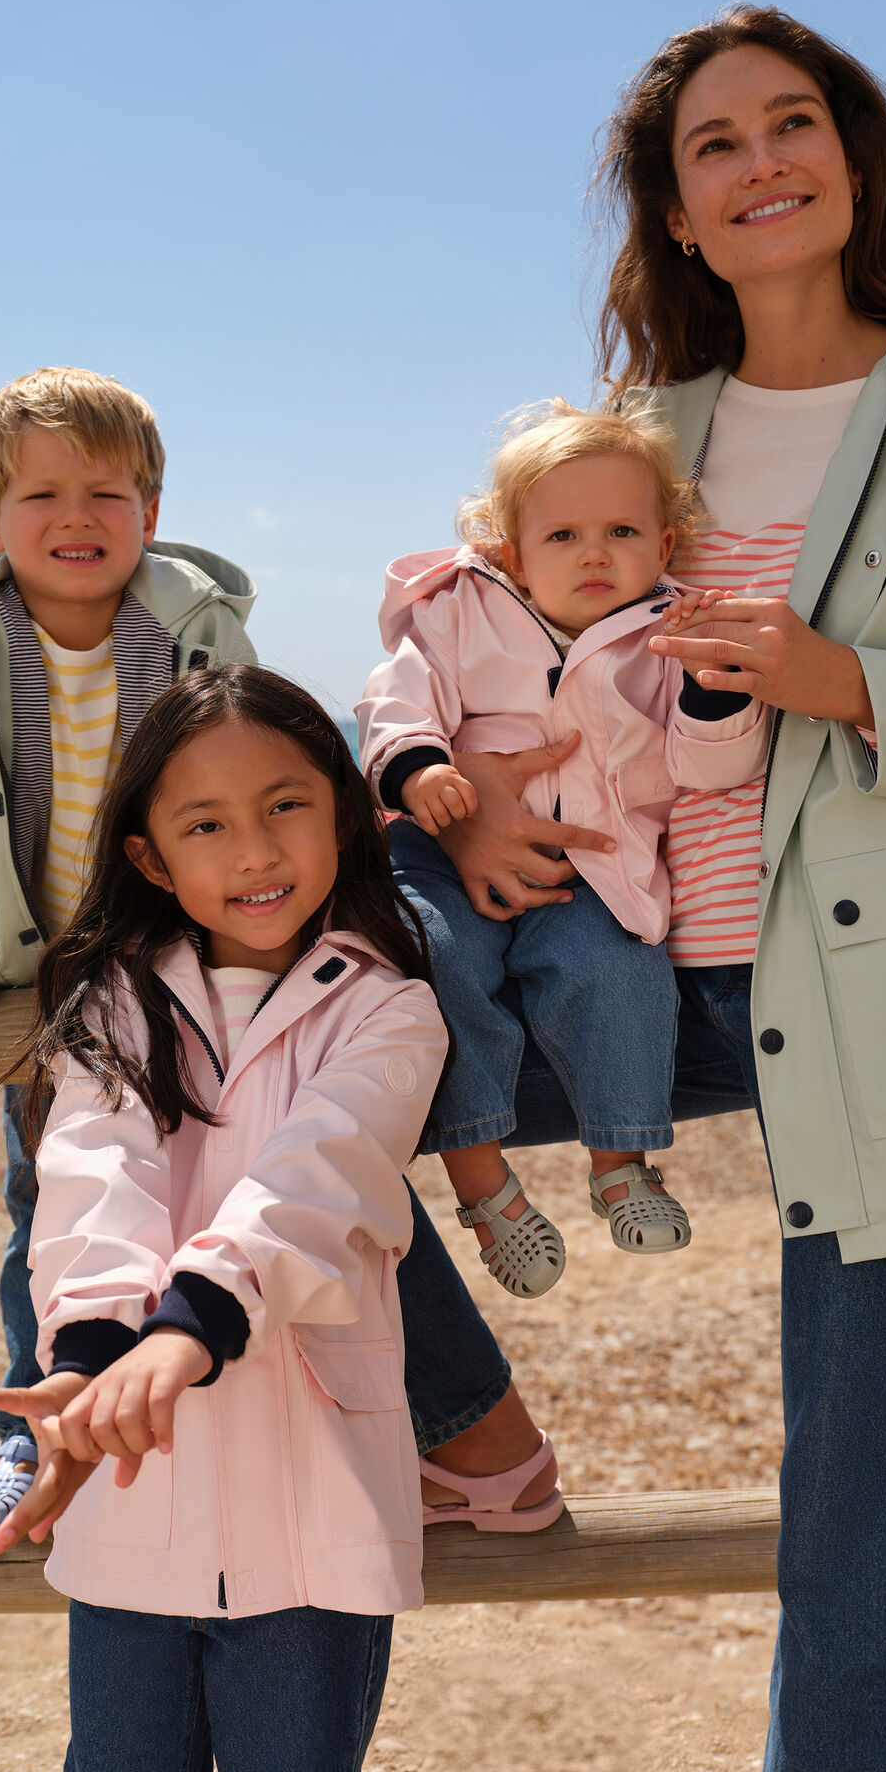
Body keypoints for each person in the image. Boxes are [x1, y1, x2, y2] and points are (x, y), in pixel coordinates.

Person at [420, 5, 886, 1772]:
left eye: (792, 122)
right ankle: (471, 1418)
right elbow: (503, 655)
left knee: (858, 1516)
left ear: (856, 160)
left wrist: (848, 680)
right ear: (676, 213)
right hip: (644, 974)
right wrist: (470, 797)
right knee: (325, 1090)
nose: (761, 165)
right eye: (714, 146)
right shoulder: (634, 431)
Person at [0, 664, 447, 1772]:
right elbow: (93, 1172)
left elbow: (316, 1181)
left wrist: (190, 1327)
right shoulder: (112, 1004)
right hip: (132, 1500)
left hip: (313, 1524)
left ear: (344, 811)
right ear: (149, 857)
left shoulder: (390, 1010)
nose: (254, 852)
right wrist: (94, 1356)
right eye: (206, 824)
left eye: (286, 805)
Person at [0, 366, 257, 1534]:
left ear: (152, 510)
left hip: (189, 955)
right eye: (42, 496)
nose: (76, 518)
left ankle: (190, 1421)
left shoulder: (197, 625)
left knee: (213, 1184)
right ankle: (25, 1432)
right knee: (50, 1204)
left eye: (107, 494)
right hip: (46, 977)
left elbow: (251, 769)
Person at [358, 401, 762, 1297]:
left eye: (622, 531)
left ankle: (621, 1162)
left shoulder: (668, 635)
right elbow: (398, 697)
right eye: (564, 535)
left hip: (593, 863)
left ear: (664, 545)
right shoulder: (462, 610)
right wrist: (420, 768)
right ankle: (482, 1184)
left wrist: (711, 691)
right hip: (445, 842)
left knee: (619, 971)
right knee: (434, 960)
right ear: (512, 553)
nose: (594, 554)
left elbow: (711, 767)